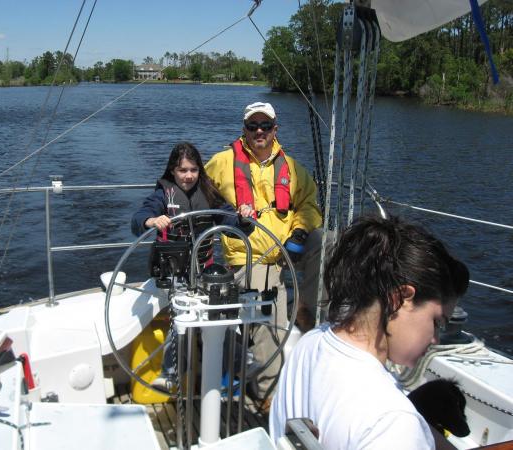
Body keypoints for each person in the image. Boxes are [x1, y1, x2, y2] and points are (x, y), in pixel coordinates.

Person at [270, 215, 469, 450]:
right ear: (400, 298)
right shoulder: (394, 424)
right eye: (436, 321)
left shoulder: (311, 343)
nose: (435, 339)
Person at [205, 102, 323, 403]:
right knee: (268, 305)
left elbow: (308, 204)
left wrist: (299, 232)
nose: (259, 131)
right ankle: (268, 392)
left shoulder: (292, 167)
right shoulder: (221, 162)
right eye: (253, 126)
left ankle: (310, 311)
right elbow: (194, 190)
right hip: (250, 255)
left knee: (328, 240)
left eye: (265, 126)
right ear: (244, 130)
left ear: (275, 129)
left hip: (288, 248)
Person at [131, 141, 253, 388]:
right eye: (182, 170)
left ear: (200, 171)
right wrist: (152, 220)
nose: (188, 176)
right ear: (172, 172)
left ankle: (243, 363)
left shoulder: (209, 194)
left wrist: (244, 219)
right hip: (173, 271)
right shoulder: (162, 195)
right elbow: (138, 219)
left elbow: (232, 223)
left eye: (193, 170)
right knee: (182, 314)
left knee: (221, 314)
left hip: (205, 269)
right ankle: (172, 373)